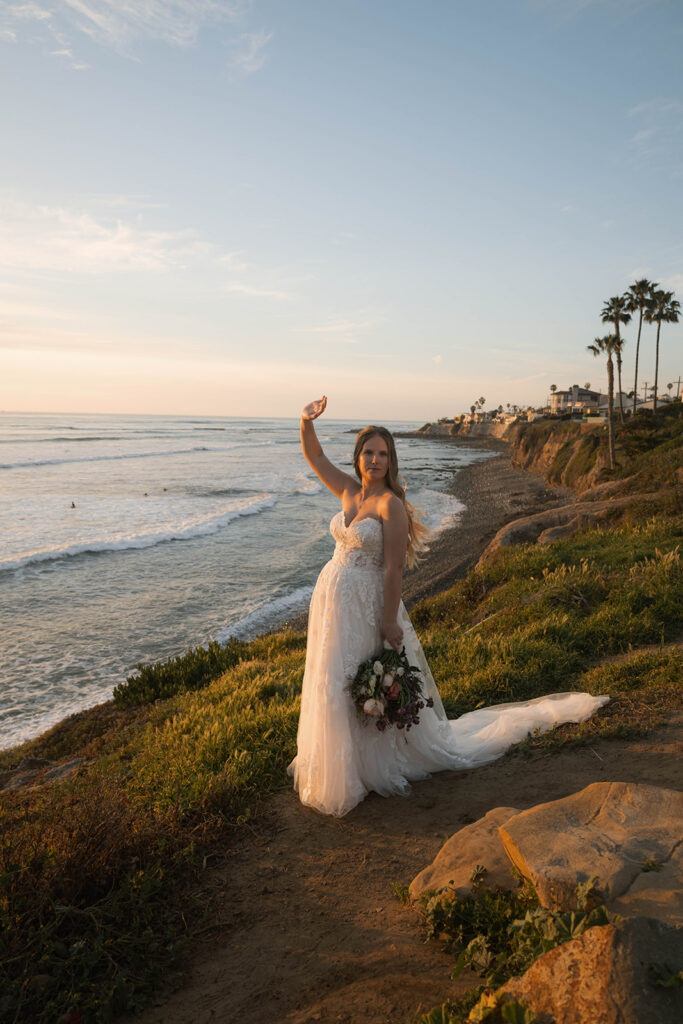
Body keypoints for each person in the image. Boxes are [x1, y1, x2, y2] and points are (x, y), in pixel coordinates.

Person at [287, 396, 608, 817]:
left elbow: (393, 569)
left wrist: (389, 621)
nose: (375, 460)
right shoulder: (348, 490)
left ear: (391, 460)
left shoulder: (390, 505)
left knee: (359, 678)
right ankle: (340, 763)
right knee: (334, 679)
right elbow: (314, 456)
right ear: (358, 456)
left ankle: (370, 765)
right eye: (369, 453)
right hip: (332, 605)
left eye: (383, 454)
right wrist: (305, 420)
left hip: (366, 606)